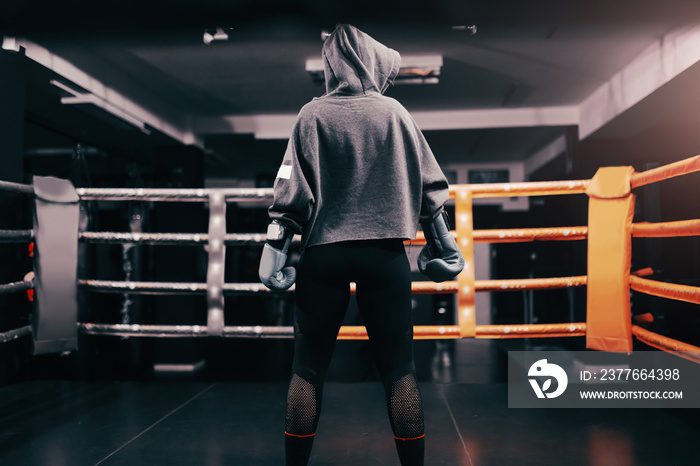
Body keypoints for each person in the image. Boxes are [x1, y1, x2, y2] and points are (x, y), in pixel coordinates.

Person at [259, 24, 464, 466]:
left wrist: (272, 254)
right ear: (371, 60)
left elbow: (289, 191)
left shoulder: (311, 115)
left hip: (323, 255)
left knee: (308, 368)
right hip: (384, 255)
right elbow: (431, 188)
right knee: (399, 370)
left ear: (333, 64)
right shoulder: (394, 112)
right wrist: (444, 245)